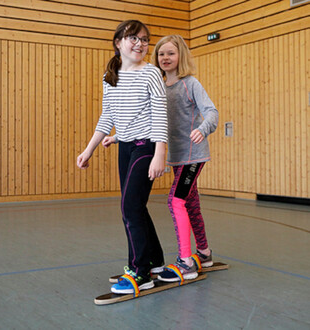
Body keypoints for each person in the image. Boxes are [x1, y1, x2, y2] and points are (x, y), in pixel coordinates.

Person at [77, 20, 168, 293]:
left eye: (144, 40)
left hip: (146, 147)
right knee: (136, 206)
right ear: (118, 42)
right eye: (133, 38)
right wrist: (89, 148)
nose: (140, 44)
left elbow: (160, 117)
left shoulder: (152, 73)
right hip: (125, 146)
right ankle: (154, 262)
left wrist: (160, 154)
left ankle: (140, 272)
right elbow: (108, 115)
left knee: (129, 208)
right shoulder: (111, 75)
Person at [151, 35, 218, 282]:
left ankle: (186, 261)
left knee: (175, 201)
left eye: (170, 53)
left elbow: (211, 111)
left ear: (181, 56)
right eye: (161, 54)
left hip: (193, 156)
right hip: (177, 158)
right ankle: (204, 253)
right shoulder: (158, 86)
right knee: (191, 204)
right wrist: (117, 137)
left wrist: (203, 128)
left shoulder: (190, 83)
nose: (165, 58)